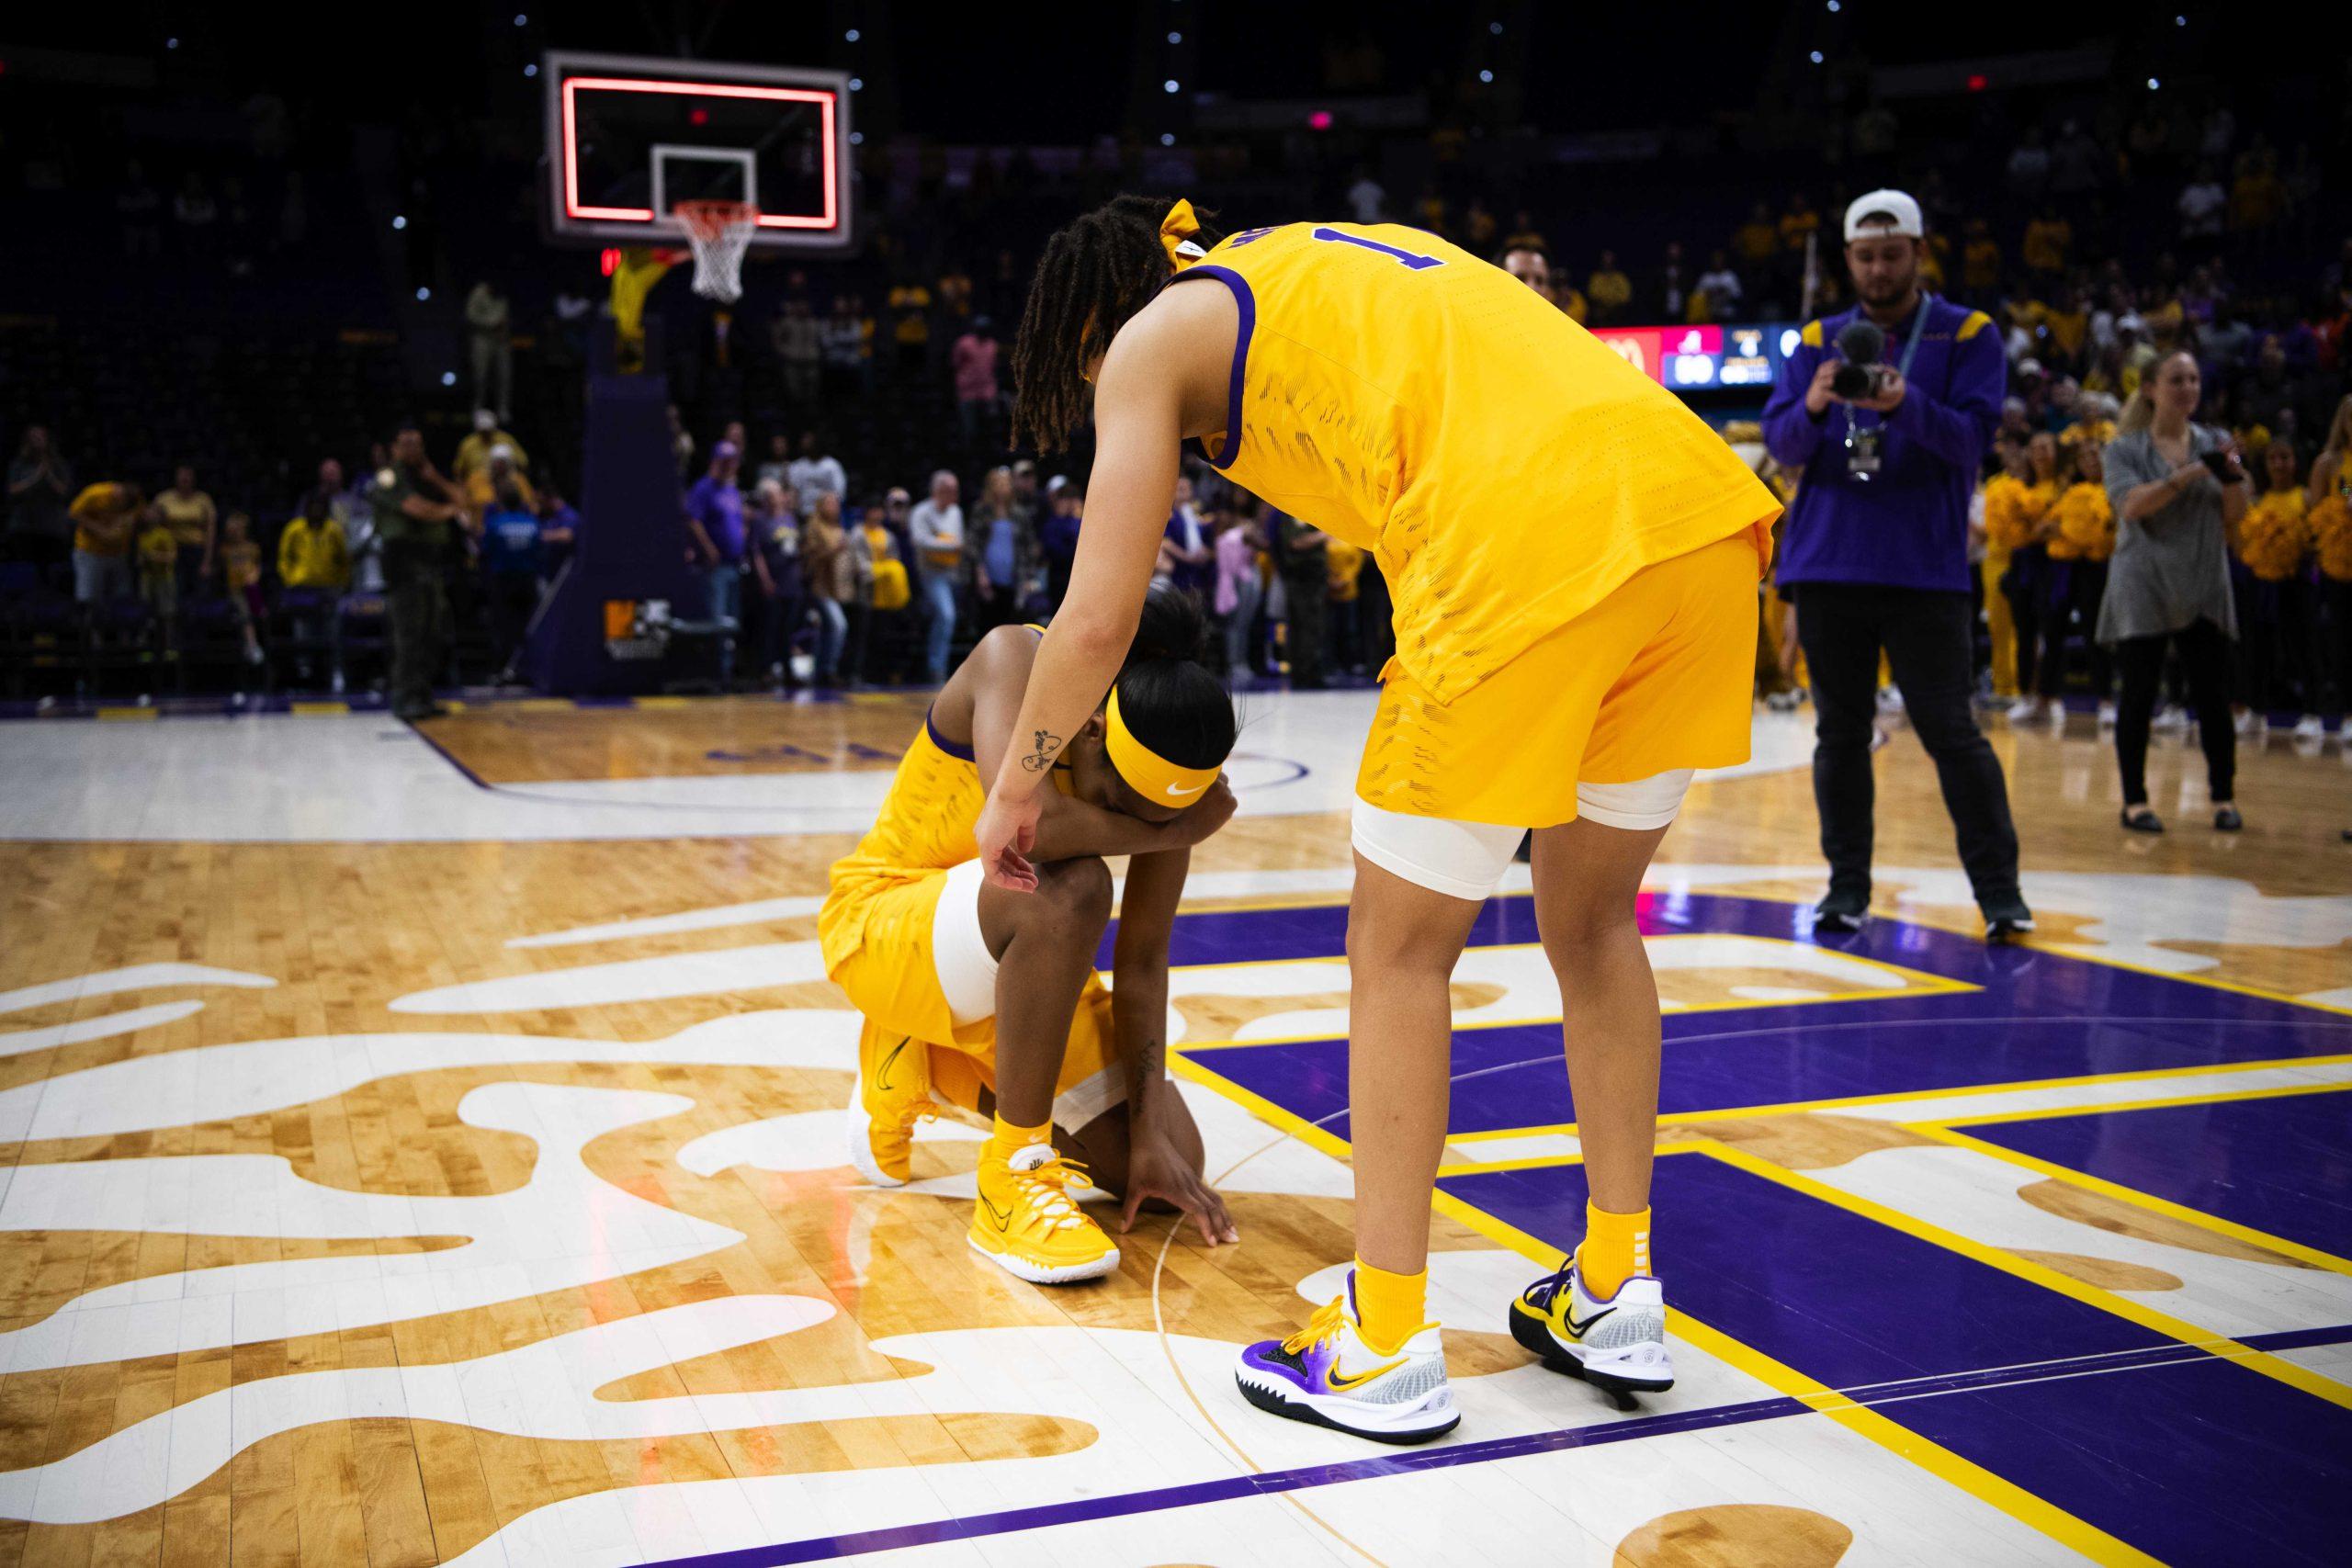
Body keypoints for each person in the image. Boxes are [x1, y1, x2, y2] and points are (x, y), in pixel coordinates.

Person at [986, 195, 1779, 1441]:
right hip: (1699, 524)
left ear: (1095, 320)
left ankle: (1387, 1339)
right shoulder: (1299, 263)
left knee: (1398, 949)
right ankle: (1618, 1287)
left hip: (1525, 545)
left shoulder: (1149, 336)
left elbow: (1095, 616)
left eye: (1077, 374)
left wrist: (1020, 778)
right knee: (1592, 924)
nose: (1102, 402)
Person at [820, 586, 1241, 1285]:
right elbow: (1028, 833)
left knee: (1172, 1158)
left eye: (1160, 820)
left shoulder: (1173, 770)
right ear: (1094, 733)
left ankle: (922, 1063)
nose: (1144, 828)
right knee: (1068, 885)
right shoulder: (1012, 657)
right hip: (885, 924)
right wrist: (1172, 828)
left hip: (1013, 952)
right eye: (1119, 808)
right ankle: (1012, 1178)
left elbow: (1141, 960)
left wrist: (1147, 1136)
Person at [1761, 189, 2033, 942]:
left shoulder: (1967, 334)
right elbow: (1782, 444)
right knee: (1839, 737)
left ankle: (2000, 893)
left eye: (1892, 254)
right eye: (1865, 256)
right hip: (1828, 567)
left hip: (1924, 570)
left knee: (1952, 731)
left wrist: (1903, 402)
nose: (1878, 269)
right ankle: (1846, 888)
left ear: (1919, 251)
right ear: (1848, 259)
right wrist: (1815, 405)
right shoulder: (1817, 337)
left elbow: (1972, 442)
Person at [2101, 352, 2250, 832]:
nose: (2187, 387)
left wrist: (2230, 476)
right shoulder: (2123, 449)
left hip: (2203, 578)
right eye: (2176, 379)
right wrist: (2187, 474)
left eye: (2193, 379)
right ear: (2150, 389)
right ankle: (2135, 802)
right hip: (2142, 578)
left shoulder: (2216, 444)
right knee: (2139, 695)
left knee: (2213, 696)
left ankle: (2223, 798)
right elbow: (2131, 506)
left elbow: (2235, 515)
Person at [375, 425, 471, 721]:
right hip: (404, 563)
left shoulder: (427, 476)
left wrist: (436, 480)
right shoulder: (389, 477)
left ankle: (423, 696)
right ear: (394, 448)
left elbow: (464, 499)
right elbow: (417, 510)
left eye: (417, 443)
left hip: (430, 563)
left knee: (433, 632)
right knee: (409, 634)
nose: (413, 449)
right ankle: (404, 699)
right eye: (406, 444)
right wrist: (450, 511)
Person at [1987, 432, 2065, 723]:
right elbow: (2012, 528)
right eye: (2035, 449)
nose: (2041, 454)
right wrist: (2036, 530)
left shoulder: (2064, 485)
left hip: (2056, 563)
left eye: (2046, 448)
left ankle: (2051, 695)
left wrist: (2041, 528)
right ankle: (2025, 695)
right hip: (2024, 562)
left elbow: (2062, 525)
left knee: (2053, 631)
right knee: (2024, 629)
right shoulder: (2019, 485)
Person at [2053, 438, 2118, 724]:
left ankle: (2113, 697)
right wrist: (2073, 532)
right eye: (2084, 456)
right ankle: (2052, 697)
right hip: (2076, 569)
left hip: (2113, 567)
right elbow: (2050, 526)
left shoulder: (2117, 489)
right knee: (2077, 631)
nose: (2091, 459)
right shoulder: (2072, 493)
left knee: (2110, 636)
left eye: (2096, 452)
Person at [683, 441, 748, 638]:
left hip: (735, 564)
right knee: (717, 620)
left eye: (733, 461)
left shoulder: (731, 489)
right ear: (715, 462)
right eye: (725, 461)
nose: (730, 465)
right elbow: (693, 521)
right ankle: (717, 667)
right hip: (715, 566)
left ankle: (726, 666)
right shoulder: (703, 488)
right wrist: (709, 549)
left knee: (732, 621)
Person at [909, 469, 966, 682]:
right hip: (929, 574)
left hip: (952, 574)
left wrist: (946, 544)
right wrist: (948, 545)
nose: (954, 494)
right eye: (950, 490)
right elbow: (919, 540)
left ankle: (939, 664)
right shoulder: (921, 512)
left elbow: (959, 542)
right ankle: (936, 668)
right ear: (938, 490)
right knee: (946, 615)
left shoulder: (956, 512)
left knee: (948, 619)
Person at [746, 478, 803, 687]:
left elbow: (795, 548)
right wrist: (765, 579)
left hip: (792, 582)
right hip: (773, 581)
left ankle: (787, 670)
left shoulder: (789, 518)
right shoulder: (760, 521)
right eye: (768, 496)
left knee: (788, 629)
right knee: (770, 628)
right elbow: (756, 553)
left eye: (776, 494)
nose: (773, 499)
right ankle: (765, 670)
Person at [801, 493, 855, 687]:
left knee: (826, 629)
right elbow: (810, 557)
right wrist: (833, 551)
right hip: (819, 585)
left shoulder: (838, 527)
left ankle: (821, 671)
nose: (834, 507)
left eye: (836, 503)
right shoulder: (814, 527)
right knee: (838, 625)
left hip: (836, 586)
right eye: (829, 503)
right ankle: (828, 669)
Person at [1272, 508, 1329, 690]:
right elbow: (1296, 543)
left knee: (1311, 626)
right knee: (1304, 626)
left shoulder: (1310, 515)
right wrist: (1323, 535)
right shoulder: (1292, 516)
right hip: (1301, 579)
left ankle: (1308, 671)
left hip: (1313, 578)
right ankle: (1304, 672)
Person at [967, 466, 1027, 637]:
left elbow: (1026, 548)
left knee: (1009, 629)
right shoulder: (981, 510)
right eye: (998, 483)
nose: (1002, 487)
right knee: (987, 628)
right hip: (987, 579)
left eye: (1006, 483)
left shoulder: (1018, 513)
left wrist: (1025, 579)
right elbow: (973, 544)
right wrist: (981, 574)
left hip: (1012, 579)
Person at [6, 425, 75, 570]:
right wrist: (36, 477)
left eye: (40, 437)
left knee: (52, 572)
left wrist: (49, 476)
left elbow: (65, 492)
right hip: (25, 525)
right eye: (33, 437)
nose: (37, 440)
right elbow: (12, 490)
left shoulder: (58, 465)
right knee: (25, 571)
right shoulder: (19, 464)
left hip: (52, 527)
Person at [66, 481, 142, 604]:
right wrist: (100, 530)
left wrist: (121, 525)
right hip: (90, 551)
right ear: (119, 496)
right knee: (89, 598)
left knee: (120, 598)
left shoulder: (135, 498)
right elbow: (73, 513)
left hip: (119, 553)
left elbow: (133, 517)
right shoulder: (95, 493)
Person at [1213, 503, 1263, 680]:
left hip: (1244, 580)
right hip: (1235, 583)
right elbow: (1232, 568)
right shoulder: (1231, 538)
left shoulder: (1243, 539)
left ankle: (1241, 662)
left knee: (1243, 625)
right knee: (1236, 626)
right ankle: (1235, 663)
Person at [154, 465, 218, 594]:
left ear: (193, 478)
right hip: (171, 550)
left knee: (201, 590)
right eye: (181, 475)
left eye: (188, 475)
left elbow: (210, 532)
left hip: (196, 549)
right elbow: (153, 526)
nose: (185, 478)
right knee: (175, 589)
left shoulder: (203, 499)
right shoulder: (164, 499)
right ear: (176, 477)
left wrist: (207, 560)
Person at [218, 511, 266, 666]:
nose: (235, 534)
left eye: (238, 530)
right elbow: (221, 572)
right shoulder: (225, 550)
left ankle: (258, 615)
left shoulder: (253, 548)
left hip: (252, 588)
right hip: (235, 590)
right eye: (232, 531)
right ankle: (252, 645)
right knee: (244, 609)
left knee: (252, 590)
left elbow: (258, 567)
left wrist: (253, 576)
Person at [953, 318, 1004, 449]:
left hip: (987, 389)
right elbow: (955, 363)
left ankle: (990, 448)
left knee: (991, 423)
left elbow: (995, 365)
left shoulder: (992, 344)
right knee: (969, 426)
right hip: (967, 389)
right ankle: (968, 451)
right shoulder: (964, 343)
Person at [465, 282, 513, 421]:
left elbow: (506, 317)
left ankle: (503, 409)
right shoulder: (479, 293)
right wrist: (491, 323)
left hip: (502, 340)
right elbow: (471, 316)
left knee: (504, 376)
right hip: (482, 339)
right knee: (480, 376)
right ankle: (478, 407)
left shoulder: (504, 296)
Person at [1159, 475, 1213, 597]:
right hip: (1177, 571)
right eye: (1180, 488)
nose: (1184, 490)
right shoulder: (1169, 515)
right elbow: (1166, 543)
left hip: (1196, 571)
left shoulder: (1194, 516)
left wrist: (1204, 552)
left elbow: (1203, 541)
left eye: (1187, 488)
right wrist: (1187, 557)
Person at [1041, 478, 1083, 612]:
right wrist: (1061, 517)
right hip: (1059, 577)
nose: (1068, 503)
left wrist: (1077, 518)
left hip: (1079, 578)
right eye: (1064, 498)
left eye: (1072, 498)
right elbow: (1054, 550)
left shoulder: (1079, 521)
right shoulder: (1051, 523)